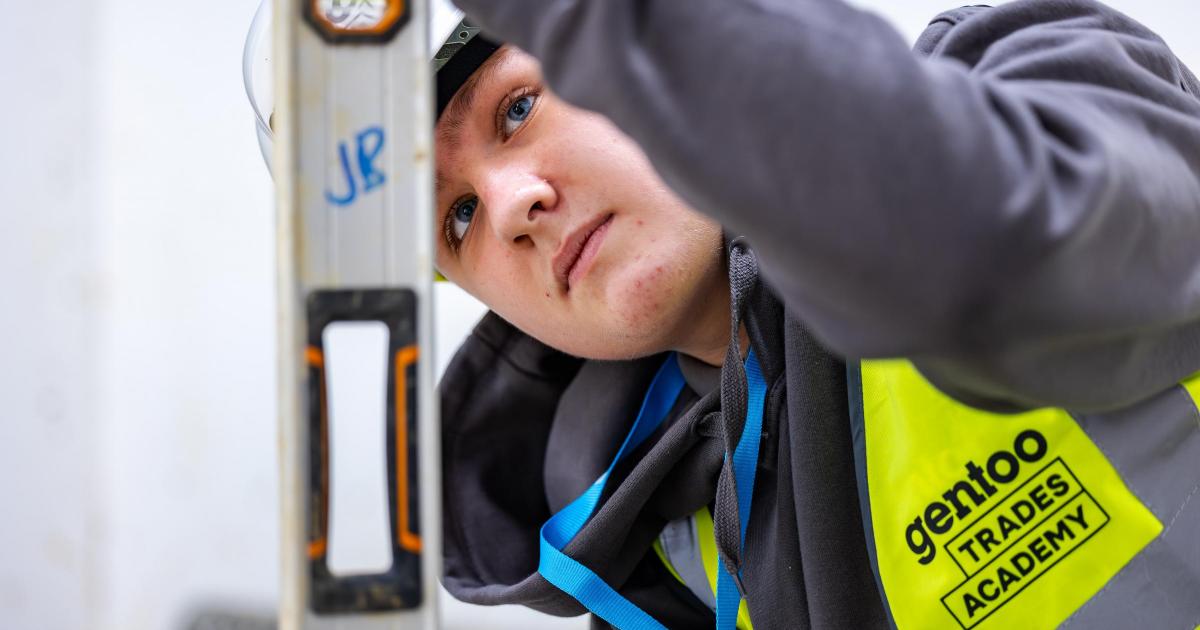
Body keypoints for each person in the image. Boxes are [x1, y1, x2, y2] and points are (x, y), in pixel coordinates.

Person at [431, 0, 1200, 628]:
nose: (509, 206)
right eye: (459, 218)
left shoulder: (1025, 91)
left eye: (518, 108)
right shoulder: (647, 556)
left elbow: (1013, 242)